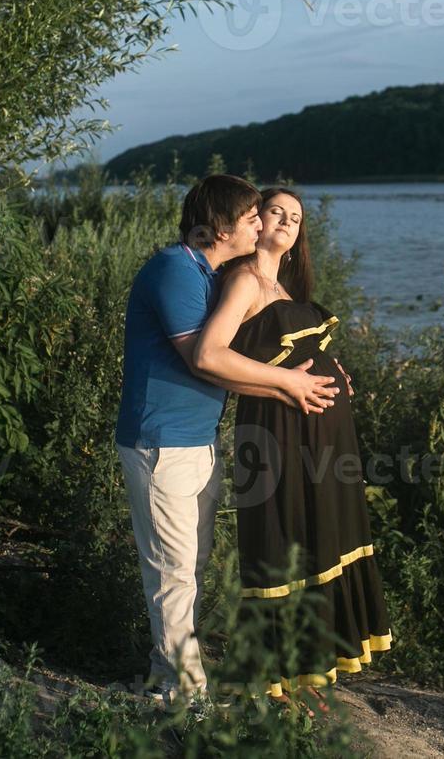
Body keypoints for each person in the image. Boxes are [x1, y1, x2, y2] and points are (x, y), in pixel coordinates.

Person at [114, 174, 340, 708]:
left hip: (197, 440)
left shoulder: (207, 275)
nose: (261, 225)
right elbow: (207, 359)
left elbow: (239, 360)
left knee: (190, 566)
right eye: (251, 219)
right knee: (173, 572)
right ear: (219, 227)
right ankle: (184, 696)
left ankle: (162, 676)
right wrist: (290, 384)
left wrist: (311, 377)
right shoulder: (175, 269)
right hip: (160, 442)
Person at [194, 186, 393, 714]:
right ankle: (270, 683)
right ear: (254, 221)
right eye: (275, 211)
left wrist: (330, 370)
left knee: (318, 540)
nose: (286, 220)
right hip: (278, 436)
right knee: (285, 542)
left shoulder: (281, 288)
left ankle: (306, 671)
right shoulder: (243, 281)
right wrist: (288, 383)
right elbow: (210, 354)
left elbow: (289, 350)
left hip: (318, 439)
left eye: (296, 217)